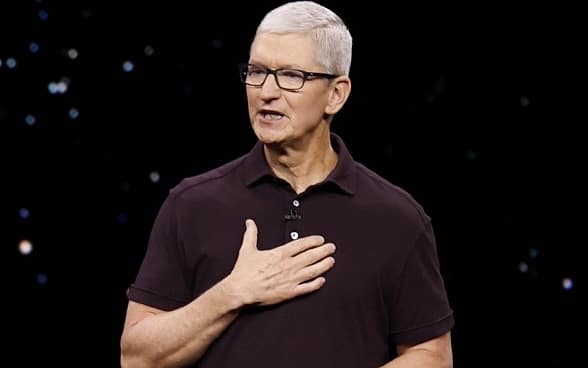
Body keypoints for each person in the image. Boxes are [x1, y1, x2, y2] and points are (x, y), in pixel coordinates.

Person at [120, 1, 454, 367]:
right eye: (257, 72)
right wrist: (232, 294)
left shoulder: (397, 217)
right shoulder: (192, 205)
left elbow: (431, 355)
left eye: (291, 76)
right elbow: (137, 358)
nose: (266, 92)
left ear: (336, 94)